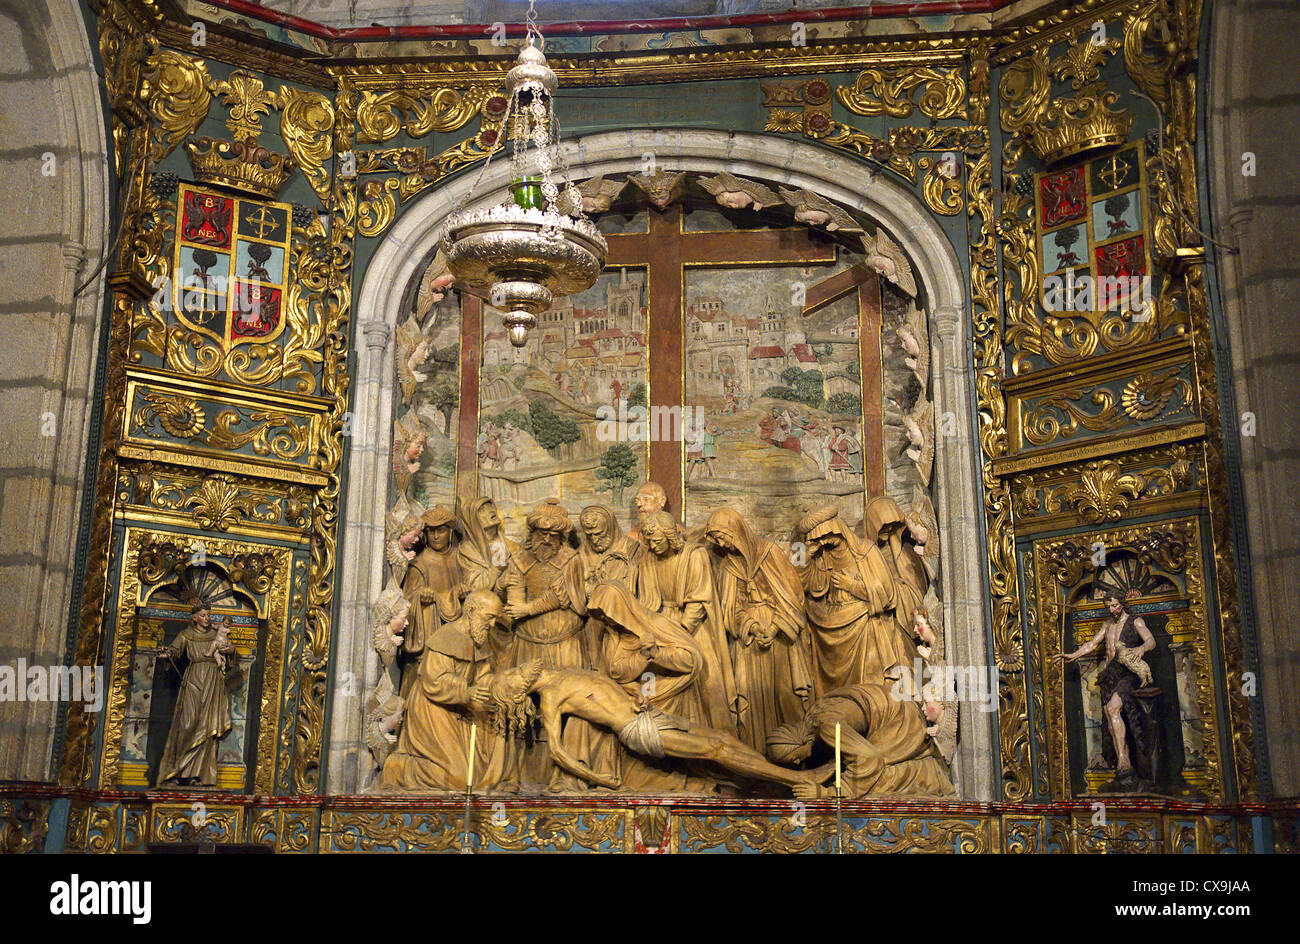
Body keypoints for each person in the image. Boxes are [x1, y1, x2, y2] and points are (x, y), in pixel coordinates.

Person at [488, 661, 827, 794]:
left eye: (513, 669)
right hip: (638, 732)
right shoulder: (550, 697)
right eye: (513, 676)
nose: (518, 669)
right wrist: (598, 779)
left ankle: (776, 781)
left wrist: (634, 695)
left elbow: (606, 690)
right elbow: (558, 753)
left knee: (723, 739)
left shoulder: (561, 670)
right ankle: (797, 779)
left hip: (646, 714)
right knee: (717, 751)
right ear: (519, 690)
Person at [703, 508, 813, 754]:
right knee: (749, 695)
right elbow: (728, 608)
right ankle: (755, 755)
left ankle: (792, 751)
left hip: (781, 639)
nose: (722, 544)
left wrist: (775, 626)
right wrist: (750, 626)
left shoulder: (770, 553)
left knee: (785, 693)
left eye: (723, 536)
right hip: (747, 642)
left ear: (737, 531)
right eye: (717, 540)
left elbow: (792, 596)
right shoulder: (729, 566)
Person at [498, 498, 589, 788]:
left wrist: (527, 609)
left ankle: (565, 775)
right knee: (522, 708)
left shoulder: (571, 560)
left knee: (566, 707)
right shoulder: (519, 560)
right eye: (541, 534)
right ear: (532, 533)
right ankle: (518, 775)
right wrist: (511, 596)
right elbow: (512, 592)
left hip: (564, 644)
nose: (547, 540)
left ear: (563, 538)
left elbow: (562, 596)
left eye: (554, 536)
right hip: (528, 643)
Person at [379, 591, 510, 792]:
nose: (492, 625)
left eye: (495, 619)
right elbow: (435, 680)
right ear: (471, 611)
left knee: (485, 763)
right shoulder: (446, 637)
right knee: (457, 779)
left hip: (460, 707)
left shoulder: (480, 639)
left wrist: (497, 688)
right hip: (433, 709)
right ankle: (399, 767)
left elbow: (483, 675)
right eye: (489, 617)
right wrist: (466, 691)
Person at [634, 510, 738, 734]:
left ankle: (720, 742)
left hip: (692, 628)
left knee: (709, 685)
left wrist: (679, 633)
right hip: (661, 627)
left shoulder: (694, 555)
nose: (652, 546)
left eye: (657, 540)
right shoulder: (648, 559)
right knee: (656, 682)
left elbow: (699, 601)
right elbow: (646, 603)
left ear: (670, 536)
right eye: (649, 541)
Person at [797, 505, 913, 694]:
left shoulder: (866, 551)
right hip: (833, 627)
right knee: (838, 693)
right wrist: (806, 554)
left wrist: (851, 585)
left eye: (827, 535)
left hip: (865, 628)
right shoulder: (823, 558)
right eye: (819, 538)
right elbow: (805, 583)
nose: (824, 541)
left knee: (867, 686)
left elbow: (885, 593)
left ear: (839, 530)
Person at [768, 682, 955, 799]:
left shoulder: (828, 727)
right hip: (894, 713)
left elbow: (870, 760)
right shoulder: (816, 713)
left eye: (793, 757)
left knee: (879, 784)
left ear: (800, 742)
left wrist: (827, 794)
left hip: (904, 729)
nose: (797, 762)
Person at [1057, 593, 1160, 788]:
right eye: (1109, 606)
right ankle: (1123, 766)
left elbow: (1151, 641)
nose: (1112, 609)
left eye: (1115, 605)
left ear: (1122, 604)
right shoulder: (1107, 626)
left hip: (1127, 673)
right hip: (1110, 675)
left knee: (1114, 709)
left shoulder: (1135, 621)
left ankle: (1123, 759)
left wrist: (1141, 650)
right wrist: (1074, 655)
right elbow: (1092, 644)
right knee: (1111, 721)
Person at [155, 603, 240, 787]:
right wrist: (167, 653)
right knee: (187, 723)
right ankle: (176, 772)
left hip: (213, 680)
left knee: (207, 726)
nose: (207, 618)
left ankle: (198, 775)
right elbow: (175, 651)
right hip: (194, 678)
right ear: (194, 617)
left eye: (208, 614)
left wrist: (231, 652)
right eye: (203, 615)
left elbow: (232, 657)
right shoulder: (186, 635)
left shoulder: (215, 635)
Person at [398, 505, 464, 697]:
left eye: (441, 530)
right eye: (431, 531)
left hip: (454, 635)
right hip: (429, 633)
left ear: (450, 532)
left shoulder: (459, 559)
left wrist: (463, 591)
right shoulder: (419, 564)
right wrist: (420, 595)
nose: (436, 536)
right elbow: (406, 601)